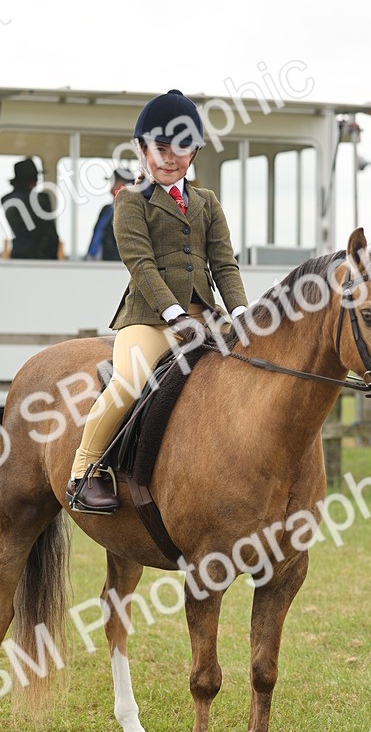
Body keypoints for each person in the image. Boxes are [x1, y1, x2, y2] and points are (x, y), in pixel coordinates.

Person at [67, 89, 248, 513]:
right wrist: (176, 316)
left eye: (180, 150)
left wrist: (242, 312)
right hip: (150, 318)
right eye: (161, 149)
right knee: (129, 381)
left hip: (206, 316)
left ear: (194, 152)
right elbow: (142, 265)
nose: (170, 159)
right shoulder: (131, 201)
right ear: (142, 150)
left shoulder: (207, 203)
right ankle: (84, 470)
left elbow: (225, 264)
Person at [1, 158, 60, 259]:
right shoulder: (41, 199)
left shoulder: (7, 199)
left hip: (18, 255)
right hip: (43, 257)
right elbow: (50, 234)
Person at [86, 169, 132, 261]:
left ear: (122, 185)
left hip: (114, 264)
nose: (111, 185)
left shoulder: (130, 211)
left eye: (114, 181)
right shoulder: (106, 209)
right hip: (96, 261)